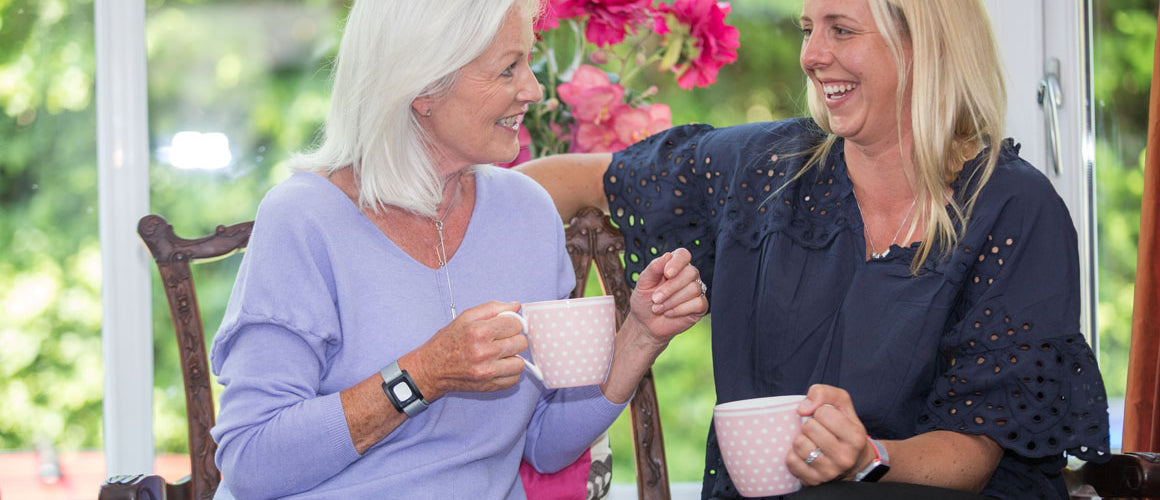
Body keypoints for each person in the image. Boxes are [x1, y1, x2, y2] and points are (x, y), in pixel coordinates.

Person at [516, 0, 1111, 498]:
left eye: (841, 30)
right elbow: (558, 182)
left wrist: (868, 456)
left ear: (922, 45)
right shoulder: (766, 169)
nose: (811, 55)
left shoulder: (1010, 208)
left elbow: (976, 452)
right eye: (807, 30)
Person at [207, 1, 709, 498]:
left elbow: (544, 445)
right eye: (508, 68)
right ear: (424, 87)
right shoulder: (302, 219)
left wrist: (640, 336)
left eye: (528, 63)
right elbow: (252, 460)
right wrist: (423, 374)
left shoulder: (529, 212)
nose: (533, 90)